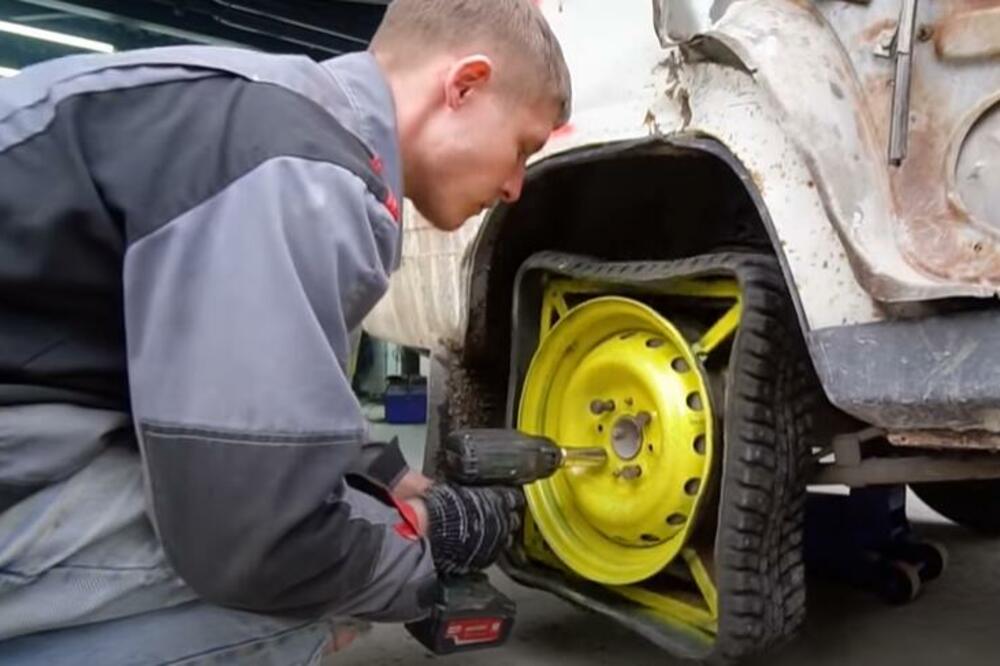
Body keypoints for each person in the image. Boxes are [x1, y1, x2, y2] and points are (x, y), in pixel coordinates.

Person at [0, 0, 571, 662]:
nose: (515, 188)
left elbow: (225, 379)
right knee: (307, 591)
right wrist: (423, 544)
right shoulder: (302, 169)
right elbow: (254, 538)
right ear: (464, 85)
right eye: (523, 148)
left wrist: (380, 472)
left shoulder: (273, 120)